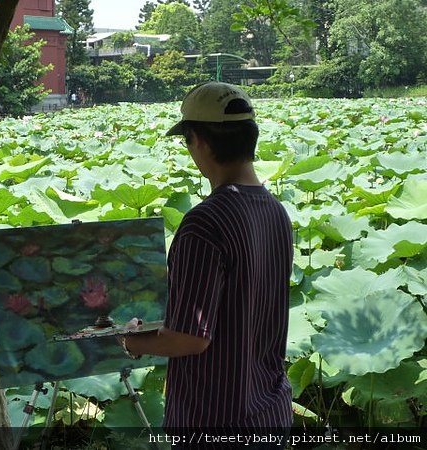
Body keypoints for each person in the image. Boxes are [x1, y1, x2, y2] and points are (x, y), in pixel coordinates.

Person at [117, 82, 293, 447]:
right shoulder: (277, 212)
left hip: (215, 419)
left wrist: (133, 340)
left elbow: (190, 338)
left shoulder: (205, 223)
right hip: (272, 411)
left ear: (197, 140)